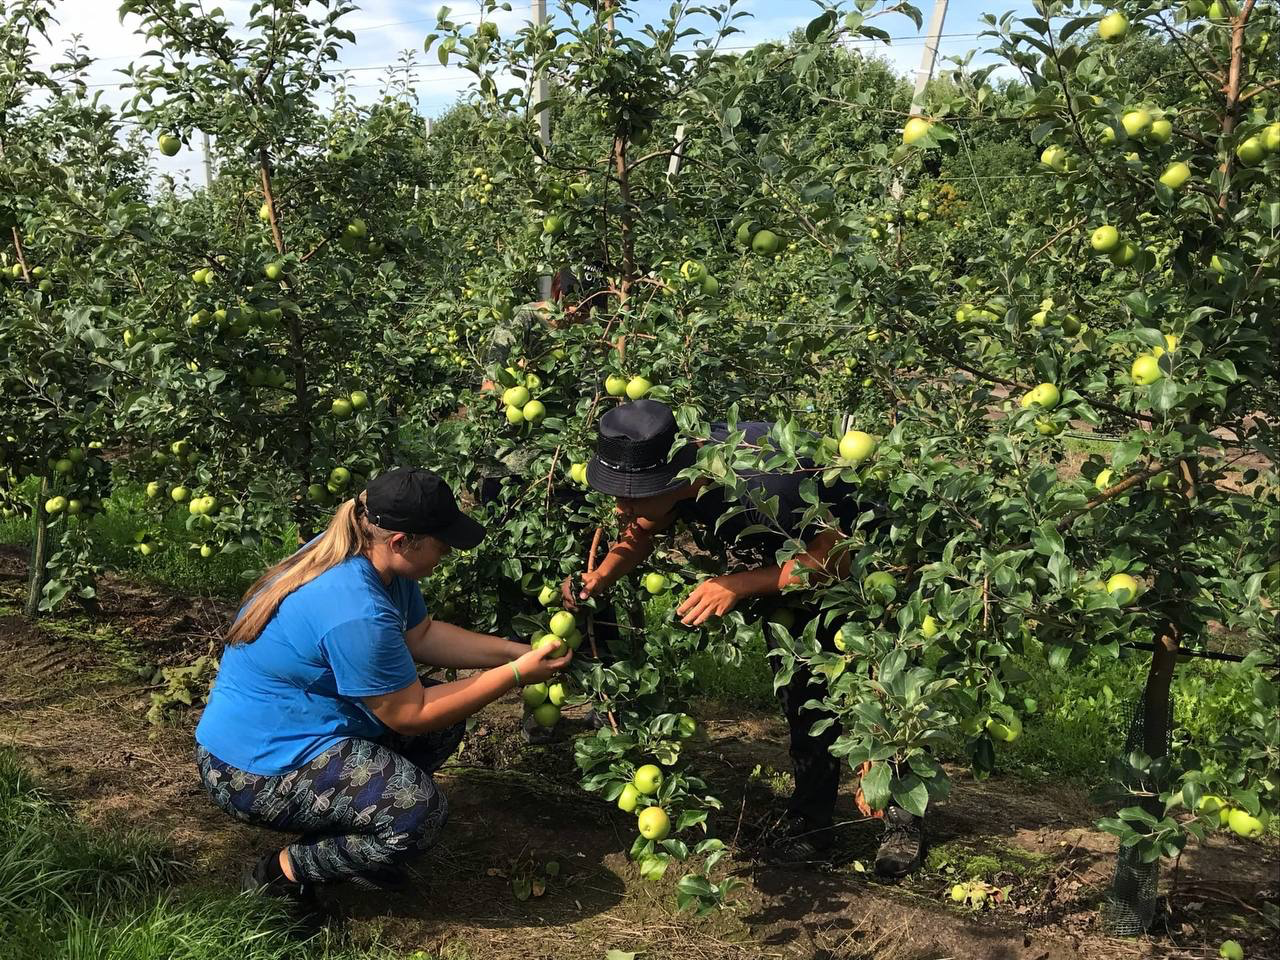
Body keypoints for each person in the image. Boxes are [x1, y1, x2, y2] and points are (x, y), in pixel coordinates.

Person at [559, 400, 921, 876]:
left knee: (881, 694)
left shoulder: (766, 477)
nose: (621, 507)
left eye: (632, 495)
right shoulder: (675, 475)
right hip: (786, 580)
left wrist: (736, 584)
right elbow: (642, 528)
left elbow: (834, 559)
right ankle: (812, 823)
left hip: (866, 581)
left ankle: (903, 821)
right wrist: (598, 579)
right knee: (804, 698)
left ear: (674, 479)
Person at [194, 467, 571, 903]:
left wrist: (512, 652)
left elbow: (423, 635)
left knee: (448, 720)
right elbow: (410, 715)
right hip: (250, 770)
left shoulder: (374, 561)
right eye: (441, 542)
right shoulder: (354, 607)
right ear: (400, 542)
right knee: (417, 813)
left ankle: (352, 835)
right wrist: (517, 675)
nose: (447, 551)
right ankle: (282, 875)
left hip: (299, 727)